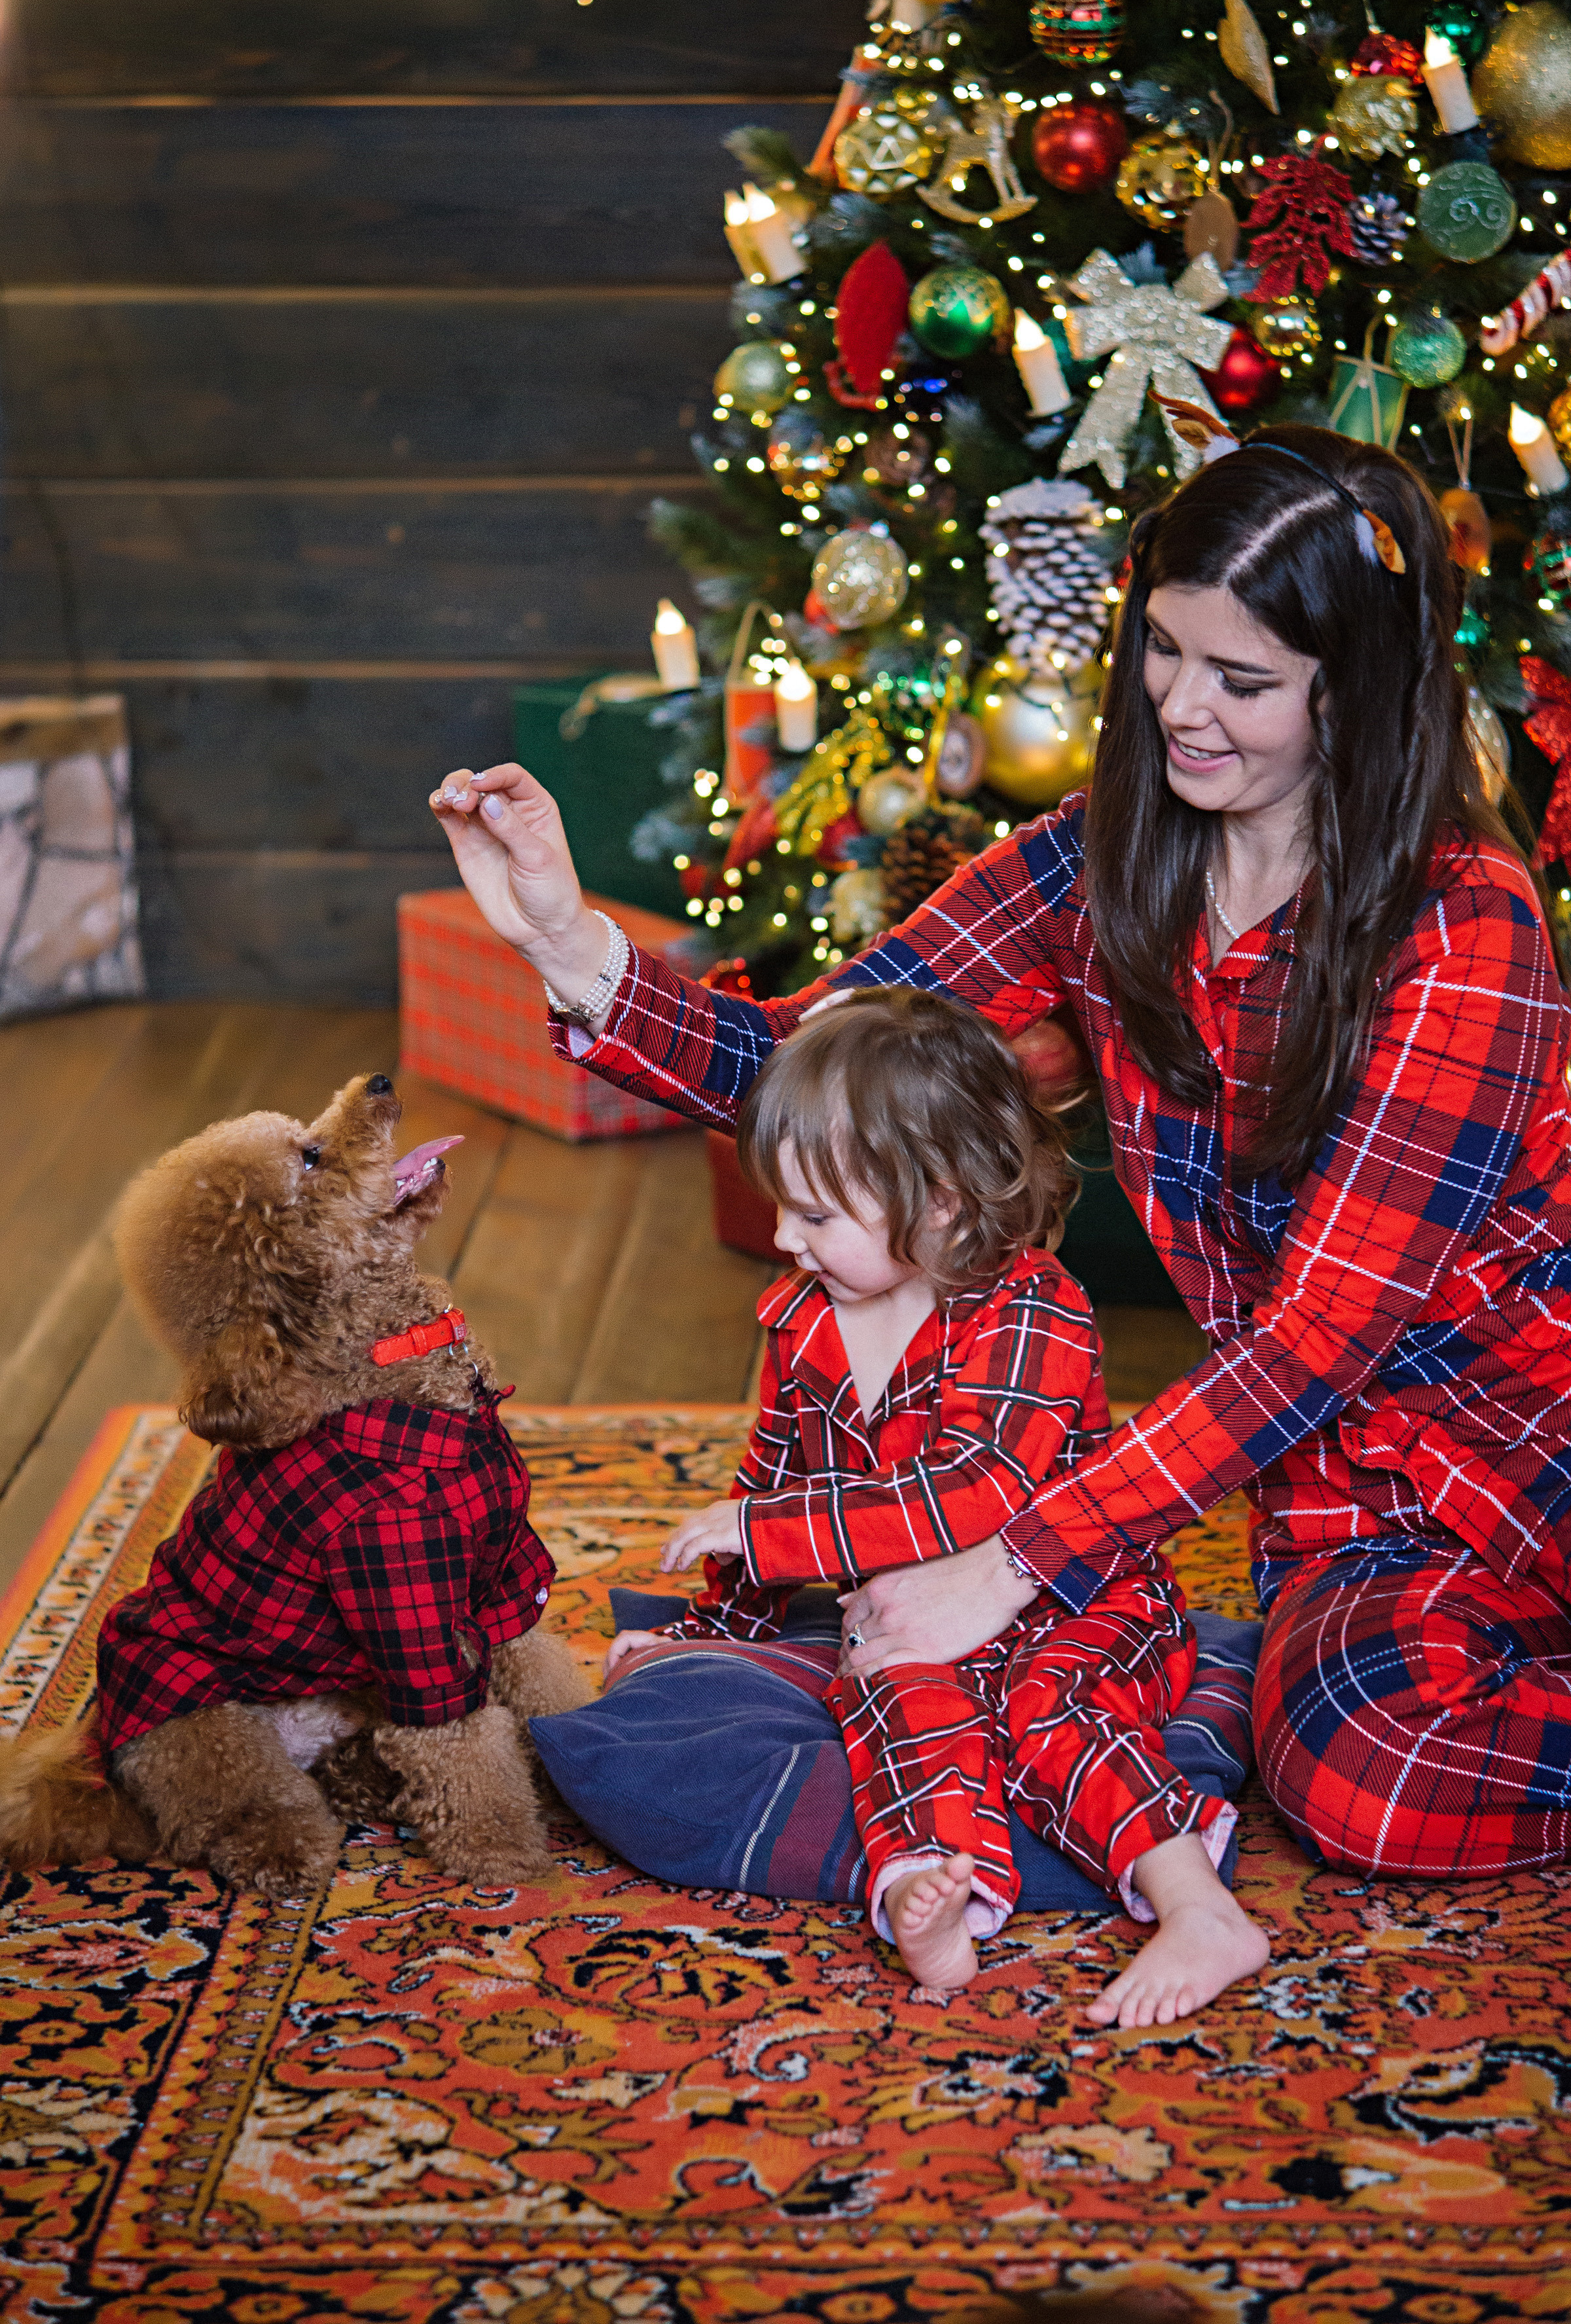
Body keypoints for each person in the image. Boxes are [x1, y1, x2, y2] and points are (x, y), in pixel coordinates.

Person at [431, 422, 1571, 1889]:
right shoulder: (1102, 861)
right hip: (1346, 1493)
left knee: (1342, 1758)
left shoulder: (1466, 931)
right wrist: (565, 941)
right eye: (1164, 652)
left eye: (1244, 681)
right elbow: (818, 1069)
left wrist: (1010, 1563)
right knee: (1366, 1781)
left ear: (1356, 694)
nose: (1182, 708)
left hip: (1521, 1440)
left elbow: (1319, 1339)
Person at [602, 989, 1264, 2014]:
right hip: (916, 1611)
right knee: (889, 1689)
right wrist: (705, 1632)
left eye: (816, 1214)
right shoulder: (800, 1320)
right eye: (781, 1204)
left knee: (1050, 1714)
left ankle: (1197, 1906)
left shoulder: (1033, 1306)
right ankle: (934, 1888)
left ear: (944, 1200)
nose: (784, 1237)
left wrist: (767, 1530)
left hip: (1082, 1599)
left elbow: (975, 1494)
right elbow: (776, 1479)